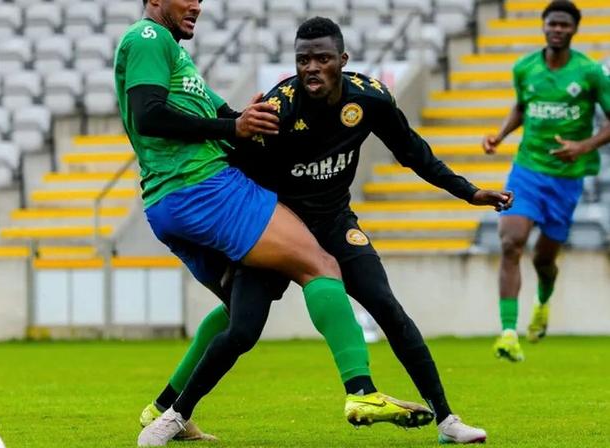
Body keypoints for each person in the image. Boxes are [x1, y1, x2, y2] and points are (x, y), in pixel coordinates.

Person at [139, 16, 513, 446]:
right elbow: (236, 163)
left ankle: (447, 420)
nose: (311, 67)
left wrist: (469, 192)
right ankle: (174, 416)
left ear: (343, 60)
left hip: (335, 224)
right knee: (241, 330)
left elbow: (414, 153)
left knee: (387, 308)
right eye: (303, 60)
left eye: (322, 58)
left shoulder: (369, 100)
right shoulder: (279, 109)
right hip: (276, 229)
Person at [482, 0, 610, 362]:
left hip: (566, 180)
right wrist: (501, 136)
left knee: (543, 259)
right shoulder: (524, 68)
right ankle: (508, 332)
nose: (557, 29)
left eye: (564, 25)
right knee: (510, 241)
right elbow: (522, 107)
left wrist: (583, 146)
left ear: (573, 30)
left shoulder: (590, 72)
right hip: (527, 169)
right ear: (544, 26)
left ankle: (543, 300)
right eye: (552, 23)